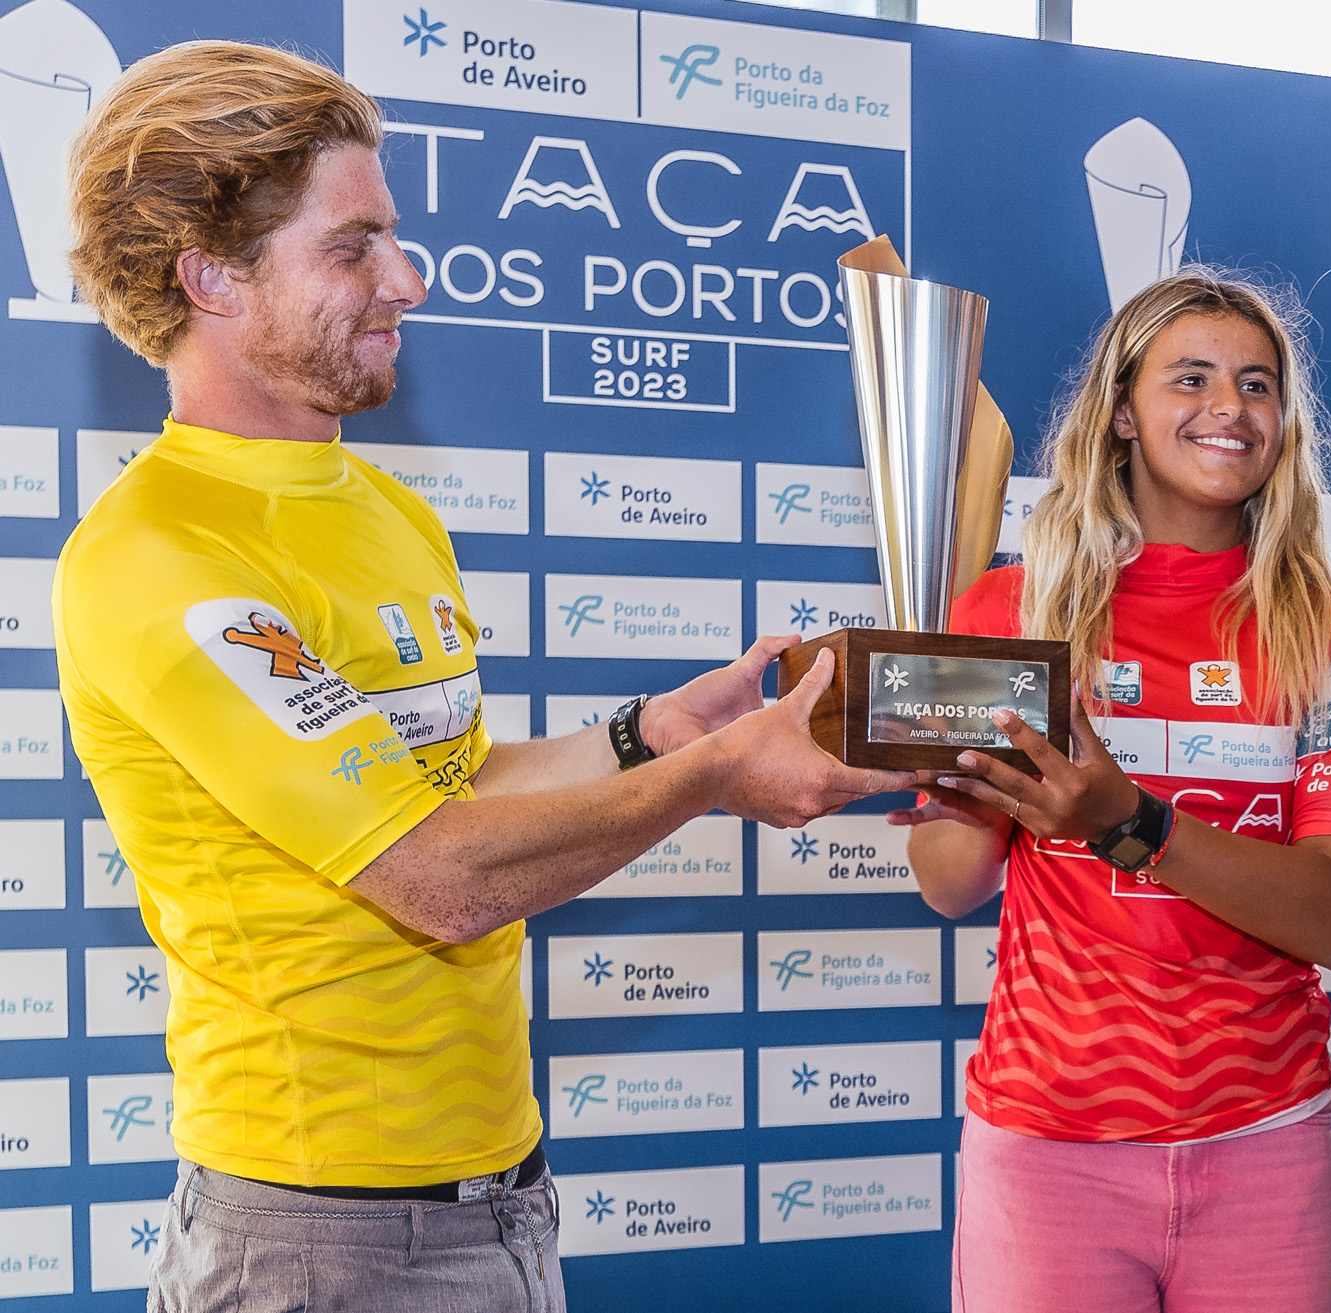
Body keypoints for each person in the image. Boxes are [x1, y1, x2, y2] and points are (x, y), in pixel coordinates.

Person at [52, 42, 912, 1312]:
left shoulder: (385, 505)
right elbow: (438, 875)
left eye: (392, 235)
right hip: (311, 1237)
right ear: (213, 278)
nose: (408, 276)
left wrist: (660, 730)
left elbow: (444, 784)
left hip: (501, 1196)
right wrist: (712, 780)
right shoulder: (160, 555)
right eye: (352, 246)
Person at [893, 271, 1331, 1313]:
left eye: (1257, 383)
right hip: (1049, 1144)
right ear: (1122, 410)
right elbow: (949, 885)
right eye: (1193, 377)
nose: (1230, 406)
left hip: (1263, 1141)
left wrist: (1123, 818)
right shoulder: (1016, 610)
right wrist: (952, 768)